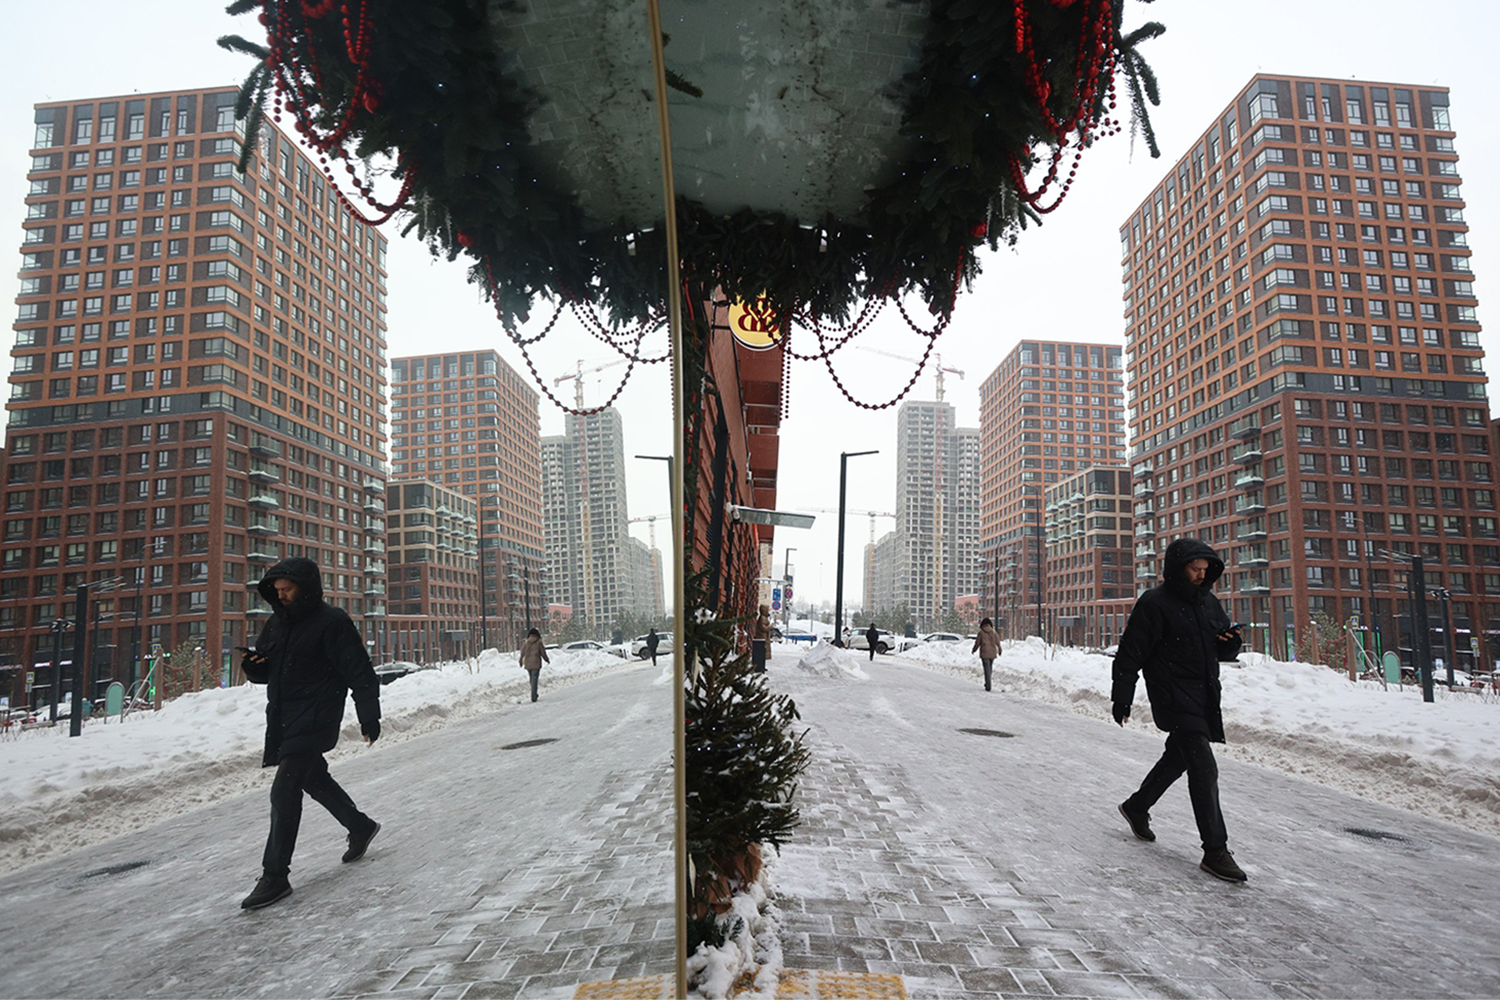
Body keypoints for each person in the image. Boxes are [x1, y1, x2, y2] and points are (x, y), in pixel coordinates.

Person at [239, 557, 382, 911]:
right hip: (284, 717)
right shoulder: (276, 623)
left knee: (285, 788)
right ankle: (359, 826)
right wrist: (253, 667)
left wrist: (369, 716)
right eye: (277, 590)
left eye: (287, 589)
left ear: (305, 588)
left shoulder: (332, 622)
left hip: (318, 714)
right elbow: (268, 671)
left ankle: (275, 874)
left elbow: (360, 672)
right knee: (313, 778)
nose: (281, 595)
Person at [1112, 538, 1247, 883]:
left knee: (1179, 757)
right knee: (1203, 765)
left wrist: (1231, 644)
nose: (1201, 575)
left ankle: (1137, 806)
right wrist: (1122, 697)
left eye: (1205, 570)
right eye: (1194, 569)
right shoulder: (1154, 603)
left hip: (1204, 695)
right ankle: (1215, 849)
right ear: (1177, 568)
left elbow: (1219, 647)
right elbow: (1130, 652)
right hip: (1171, 693)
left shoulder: (1208, 602)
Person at [519, 627, 549, 701]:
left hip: (528, 663)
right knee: (534, 680)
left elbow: (522, 653)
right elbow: (543, 652)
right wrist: (546, 659)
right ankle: (534, 696)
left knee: (532, 679)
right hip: (536, 663)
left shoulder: (526, 642)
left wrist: (520, 661)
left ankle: (534, 693)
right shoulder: (539, 642)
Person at [972, 617, 1001, 692]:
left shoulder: (981, 632)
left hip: (984, 652)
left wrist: (974, 649)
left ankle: (988, 685)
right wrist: (1000, 649)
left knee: (986, 669)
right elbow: (998, 642)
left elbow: (977, 643)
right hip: (992, 652)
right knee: (989, 669)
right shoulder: (993, 632)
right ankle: (988, 683)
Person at [752, 604, 772, 673]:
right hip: (762, 637)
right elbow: (763, 628)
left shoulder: (764, 617)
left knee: (763, 653)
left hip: (763, 637)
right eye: (767, 609)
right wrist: (770, 627)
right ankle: (760, 667)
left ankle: (762, 666)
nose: (768, 611)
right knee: (762, 653)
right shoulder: (762, 618)